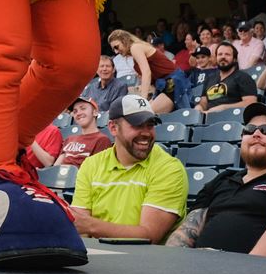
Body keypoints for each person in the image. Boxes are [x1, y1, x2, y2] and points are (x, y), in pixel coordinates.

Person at [166, 103, 266, 257]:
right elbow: (188, 229)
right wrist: (174, 264)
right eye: (249, 130)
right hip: (198, 271)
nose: (256, 134)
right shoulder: (222, 180)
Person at [71, 96, 188, 241]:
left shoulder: (169, 168)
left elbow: (149, 236)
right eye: (137, 125)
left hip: (145, 261)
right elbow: (79, 228)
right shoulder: (91, 164)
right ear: (113, 128)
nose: (146, 133)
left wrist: (91, 226)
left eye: (150, 125)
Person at [108, 29, 185, 113]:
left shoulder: (135, 47)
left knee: (145, 112)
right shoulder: (136, 50)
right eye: (113, 49)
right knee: (140, 113)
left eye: (116, 47)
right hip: (164, 85)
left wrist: (143, 100)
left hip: (173, 82)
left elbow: (146, 72)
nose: (116, 52)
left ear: (124, 40)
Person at [196, 42, 257, 113]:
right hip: (207, 120)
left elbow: (251, 103)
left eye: (227, 54)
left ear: (235, 59)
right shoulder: (210, 79)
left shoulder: (243, 77)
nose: (223, 57)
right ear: (216, 58)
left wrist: (225, 108)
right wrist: (199, 107)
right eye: (220, 54)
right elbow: (204, 102)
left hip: (232, 119)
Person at [52, 97, 111, 166]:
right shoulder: (69, 139)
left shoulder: (102, 140)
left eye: (83, 108)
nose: (78, 113)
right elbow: (56, 167)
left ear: (94, 112)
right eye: (75, 111)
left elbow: (97, 170)